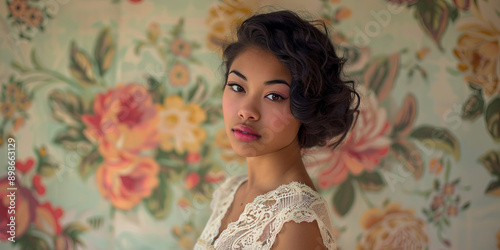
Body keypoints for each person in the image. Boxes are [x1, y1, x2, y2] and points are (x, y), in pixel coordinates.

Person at [195, 9, 360, 250]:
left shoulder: (296, 222)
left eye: (274, 96)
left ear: (305, 108)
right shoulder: (231, 190)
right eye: (237, 87)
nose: (246, 110)